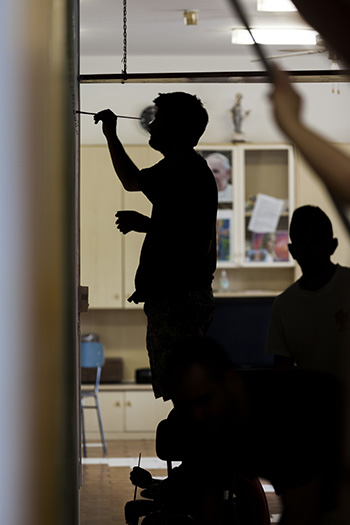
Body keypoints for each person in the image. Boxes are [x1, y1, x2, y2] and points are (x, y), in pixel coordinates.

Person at [94, 92, 218, 401]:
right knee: (181, 391)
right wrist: (110, 133)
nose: (151, 125)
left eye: (158, 120)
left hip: (180, 302)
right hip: (173, 300)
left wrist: (149, 225)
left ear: (174, 130)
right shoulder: (176, 171)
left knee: (185, 392)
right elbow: (134, 181)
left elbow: (197, 243)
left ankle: (189, 449)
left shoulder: (187, 172)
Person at [165, 337, 342, 525]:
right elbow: (209, 508)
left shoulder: (286, 413)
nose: (197, 415)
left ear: (231, 381)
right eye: (186, 407)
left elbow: (301, 516)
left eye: (204, 401)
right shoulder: (206, 422)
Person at [265, 205, 350, 378]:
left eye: (316, 240)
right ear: (293, 251)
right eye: (304, 241)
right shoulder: (284, 307)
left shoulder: (284, 306)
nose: (310, 249)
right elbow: (282, 374)